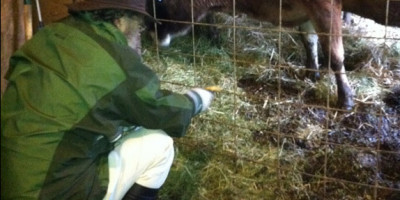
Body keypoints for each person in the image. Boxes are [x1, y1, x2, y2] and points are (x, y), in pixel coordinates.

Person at [0, 0, 214, 199]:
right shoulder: (116, 59)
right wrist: (195, 100)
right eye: (137, 28)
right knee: (160, 144)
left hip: (11, 179)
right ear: (119, 20)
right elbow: (161, 110)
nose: (138, 36)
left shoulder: (51, 34)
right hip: (52, 190)